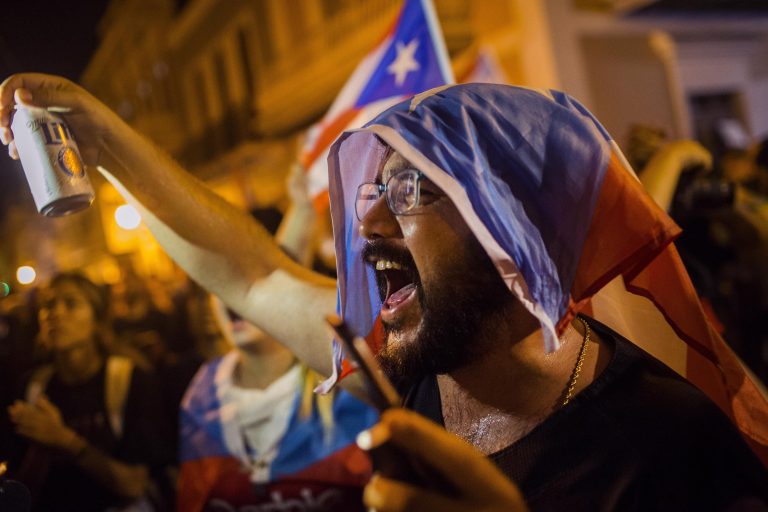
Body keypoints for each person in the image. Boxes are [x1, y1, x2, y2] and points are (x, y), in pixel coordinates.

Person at [2, 75, 768, 510]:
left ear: (513, 229)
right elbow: (253, 272)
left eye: (411, 190)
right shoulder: (408, 369)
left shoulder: (673, 447)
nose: (364, 221)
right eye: (373, 188)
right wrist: (104, 146)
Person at [177, 295, 377, 511]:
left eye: (248, 271)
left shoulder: (345, 387)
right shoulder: (199, 401)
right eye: (215, 278)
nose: (227, 291)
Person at [4, 272, 173, 511]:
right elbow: (21, 488)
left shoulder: (130, 379)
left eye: (71, 304)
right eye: (48, 305)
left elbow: (134, 484)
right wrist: (38, 447)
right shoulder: (32, 388)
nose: (56, 313)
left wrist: (65, 441)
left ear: (97, 319)